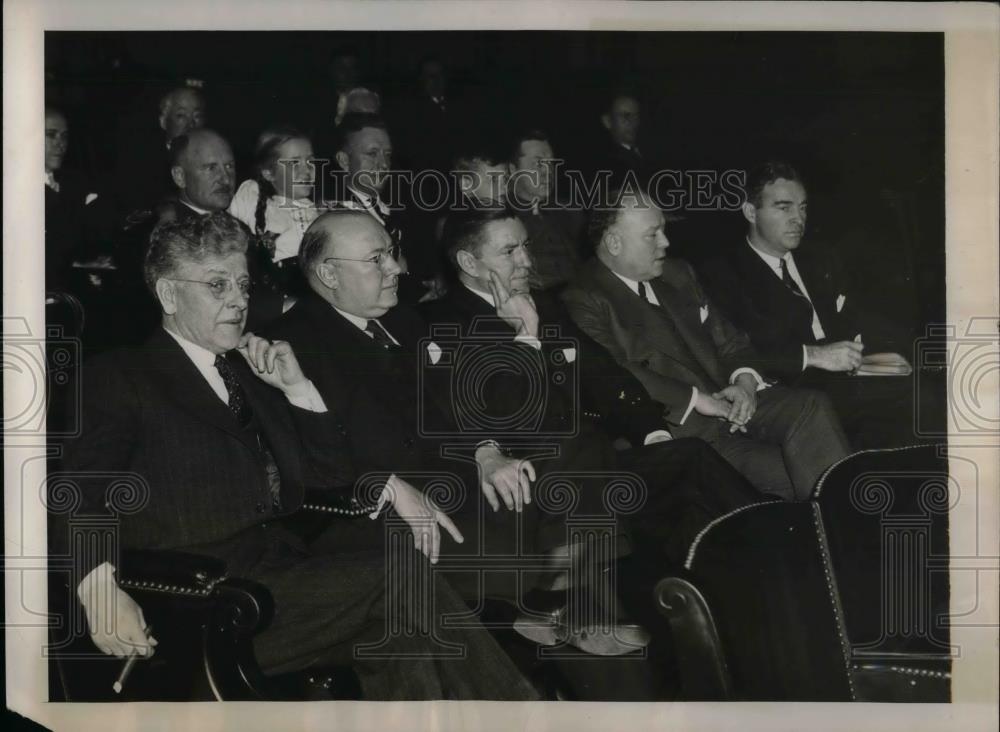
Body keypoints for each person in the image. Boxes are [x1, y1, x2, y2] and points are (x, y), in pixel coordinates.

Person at [53, 211, 538, 701]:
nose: (238, 300)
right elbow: (78, 492)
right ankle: (523, 712)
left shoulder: (250, 373)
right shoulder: (121, 376)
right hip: (199, 597)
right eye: (217, 285)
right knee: (401, 575)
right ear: (169, 294)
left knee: (400, 633)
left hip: (284, 579)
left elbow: (326, 473)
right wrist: (98, 589)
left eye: (243, 285)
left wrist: (298, 390)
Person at [265, 209, 658, 660]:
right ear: (329, 273)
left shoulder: (403, 321)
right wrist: (391, 486)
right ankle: (545, 616)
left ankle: (559, 608)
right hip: (384, 502)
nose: (396, 268)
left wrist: (485, 451)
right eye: (376, 260)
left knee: (572, 463)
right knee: (536, 520)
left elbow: (453, 402)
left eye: (391, 253)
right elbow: (311, 464)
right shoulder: (289, 345)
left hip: (454, 474)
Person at [421, 206, 763, 601]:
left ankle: (769, 556)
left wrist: (651, 434)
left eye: (526, 246)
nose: (527, 261)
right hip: (536, 481)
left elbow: (604, 374)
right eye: (509, 251)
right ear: (469, 262)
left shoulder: (545, 305)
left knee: (689, 458)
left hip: (595, 461)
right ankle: (573, 600)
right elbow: (515, 421)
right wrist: (526, 338)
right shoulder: (441, 324)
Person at [561, 190, 852, 501]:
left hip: (735, 402)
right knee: (805, 475)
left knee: (811, 406)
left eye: (664, 230)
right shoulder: (584, 299)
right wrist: (697, 399)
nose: (665, 242)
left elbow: (731, 341)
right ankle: (843, 519)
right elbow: (617, 375)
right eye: (652, 234)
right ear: (614, 243)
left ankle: (847, 518)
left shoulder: (678, 273)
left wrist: (744, 382)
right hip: (687, 430)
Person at [695, 161, 927, 448]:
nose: (798, 219)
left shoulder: (819, 257)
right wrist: (815, 355)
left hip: (850, 374)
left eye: (802, 207)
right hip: (796, 389)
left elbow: (854, 315)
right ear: (751, 212)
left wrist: (888, 352)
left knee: (922, 376)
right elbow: (742, 351)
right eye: (784, 208)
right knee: (917, 400)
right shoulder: (723, 274)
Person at [228, 126, 326, 309]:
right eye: (295, 163)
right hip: (275, 300)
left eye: (310, 161)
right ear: (268, 172)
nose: (307, 170)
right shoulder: (254, 198)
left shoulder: (318, 213)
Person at [507, 129, 586, 292]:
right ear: (513, 170)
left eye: (551, 163)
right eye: (538, 164)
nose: (547, 172)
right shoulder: (503, 218)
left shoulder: (571, 211)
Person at [113, 85, 206, 218]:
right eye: (181, 115)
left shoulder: (213, 158)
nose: (191, 124)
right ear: (163, 121)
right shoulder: (141, 161)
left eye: (197, 116)